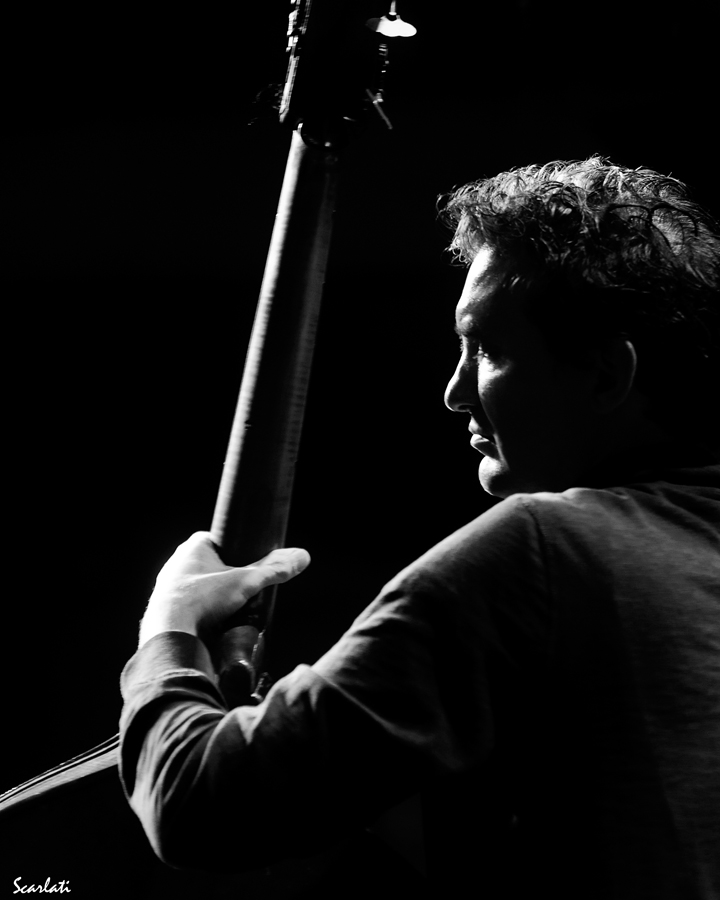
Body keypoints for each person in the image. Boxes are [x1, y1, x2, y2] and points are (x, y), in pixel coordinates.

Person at [119, 157, 720, 899]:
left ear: (605, 374)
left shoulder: (540, 552)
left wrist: (170, 631)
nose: (454, 391)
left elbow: (199, 804)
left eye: (489, 349)